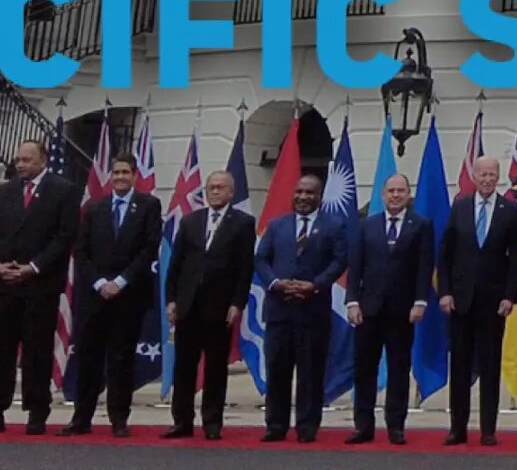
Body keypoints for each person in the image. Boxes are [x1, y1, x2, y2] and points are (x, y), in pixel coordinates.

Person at [0, 140, 80, 435]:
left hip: (39, 285)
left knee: (37, 351)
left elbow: (65, 236)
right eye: (18, 160)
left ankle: (36, 412)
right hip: (3, 285)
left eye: (26, 160)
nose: (20, 165)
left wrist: (33, 267)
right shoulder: (3, 192)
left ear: (43, 160)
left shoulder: (64, 190)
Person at [58, 153, 161, 438]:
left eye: (125, 172)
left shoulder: (148, 205)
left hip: (128, 297)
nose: (120, 177)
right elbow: (81, 251)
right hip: (95, 297)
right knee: (89, 359)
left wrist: (120, 281)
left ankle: (118, 418)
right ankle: (82, 417)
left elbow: (149, 248)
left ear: (135, 175)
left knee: (120, 360)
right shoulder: (93, 207)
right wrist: (100, 282)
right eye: (115, 172)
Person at [254, 175, 347, 443]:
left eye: (309, 193)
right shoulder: (277, 225)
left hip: (313, 311)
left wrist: (314, 285)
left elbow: (339, 261)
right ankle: (275, 425)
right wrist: (275, 283)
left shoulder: (333, 225)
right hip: (279, 311)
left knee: (311, 373)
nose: (303, 197)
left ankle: (307, 427)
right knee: (278, 370)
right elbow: (261, 259)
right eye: (299, 192)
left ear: (319, 196)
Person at [164, 170, 256, 440]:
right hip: (188, 305)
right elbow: (177, 264)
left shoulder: (242, 223)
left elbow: (244, 268)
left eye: (220, 188)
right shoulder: (191, 221)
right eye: (211, 188)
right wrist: (172, 300)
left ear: (231, 192)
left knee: (216, 367)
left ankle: (212, 421)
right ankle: (181, 421)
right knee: (184, 366)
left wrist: (237, 303)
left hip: (219, 307)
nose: (215, 192)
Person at [439, 156, 517, 447]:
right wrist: (445, 292)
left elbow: (515, 261)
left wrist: (509, 296)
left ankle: (488, 428)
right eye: (482, 174)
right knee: (459, 366)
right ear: (473, 176)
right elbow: (445, 255)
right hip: (460, 300)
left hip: (493, 302)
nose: (487, 179)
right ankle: (457, 428)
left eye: (492, 174)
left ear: (498, 177)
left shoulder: (510, 211)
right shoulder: (459, 206)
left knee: (489, 366)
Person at [345, 173, 434, 446]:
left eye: (401, 191)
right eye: (391, 191)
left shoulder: (421, 225)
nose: (395, 195)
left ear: (409, 195)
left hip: (403, 310)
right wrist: (352, 302)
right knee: (364, 369)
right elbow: (356, 266)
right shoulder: (367, 226)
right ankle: (363, 425)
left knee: (398, 368)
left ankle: (396, 425)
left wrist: (420, 301)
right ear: (383, 195)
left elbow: (424, 267)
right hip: (368, 308)